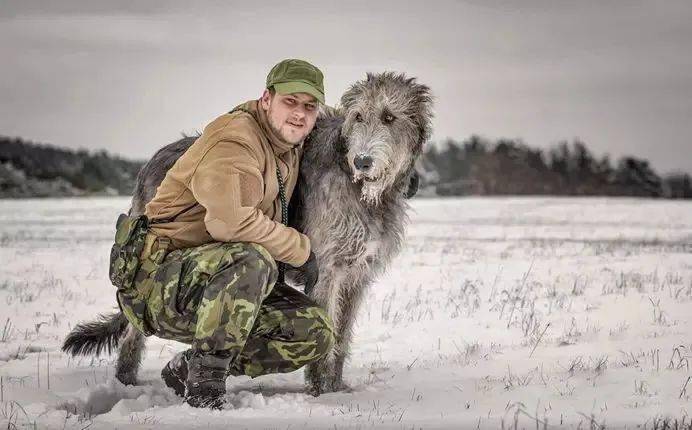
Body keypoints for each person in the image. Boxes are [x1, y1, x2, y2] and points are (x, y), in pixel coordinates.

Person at [123, 59, 334, 408]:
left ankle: (189, 368)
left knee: (314, 332)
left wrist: (401, 176)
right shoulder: (235, 139)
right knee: (252, 257)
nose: (300, 114)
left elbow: (353, 129)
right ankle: (205, 388)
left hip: (214, 281)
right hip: (157, 283)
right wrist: (301, 251)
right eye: (290, 102)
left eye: (310, 107)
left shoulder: (287, 144)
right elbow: (230, 224)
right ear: (266, 99)